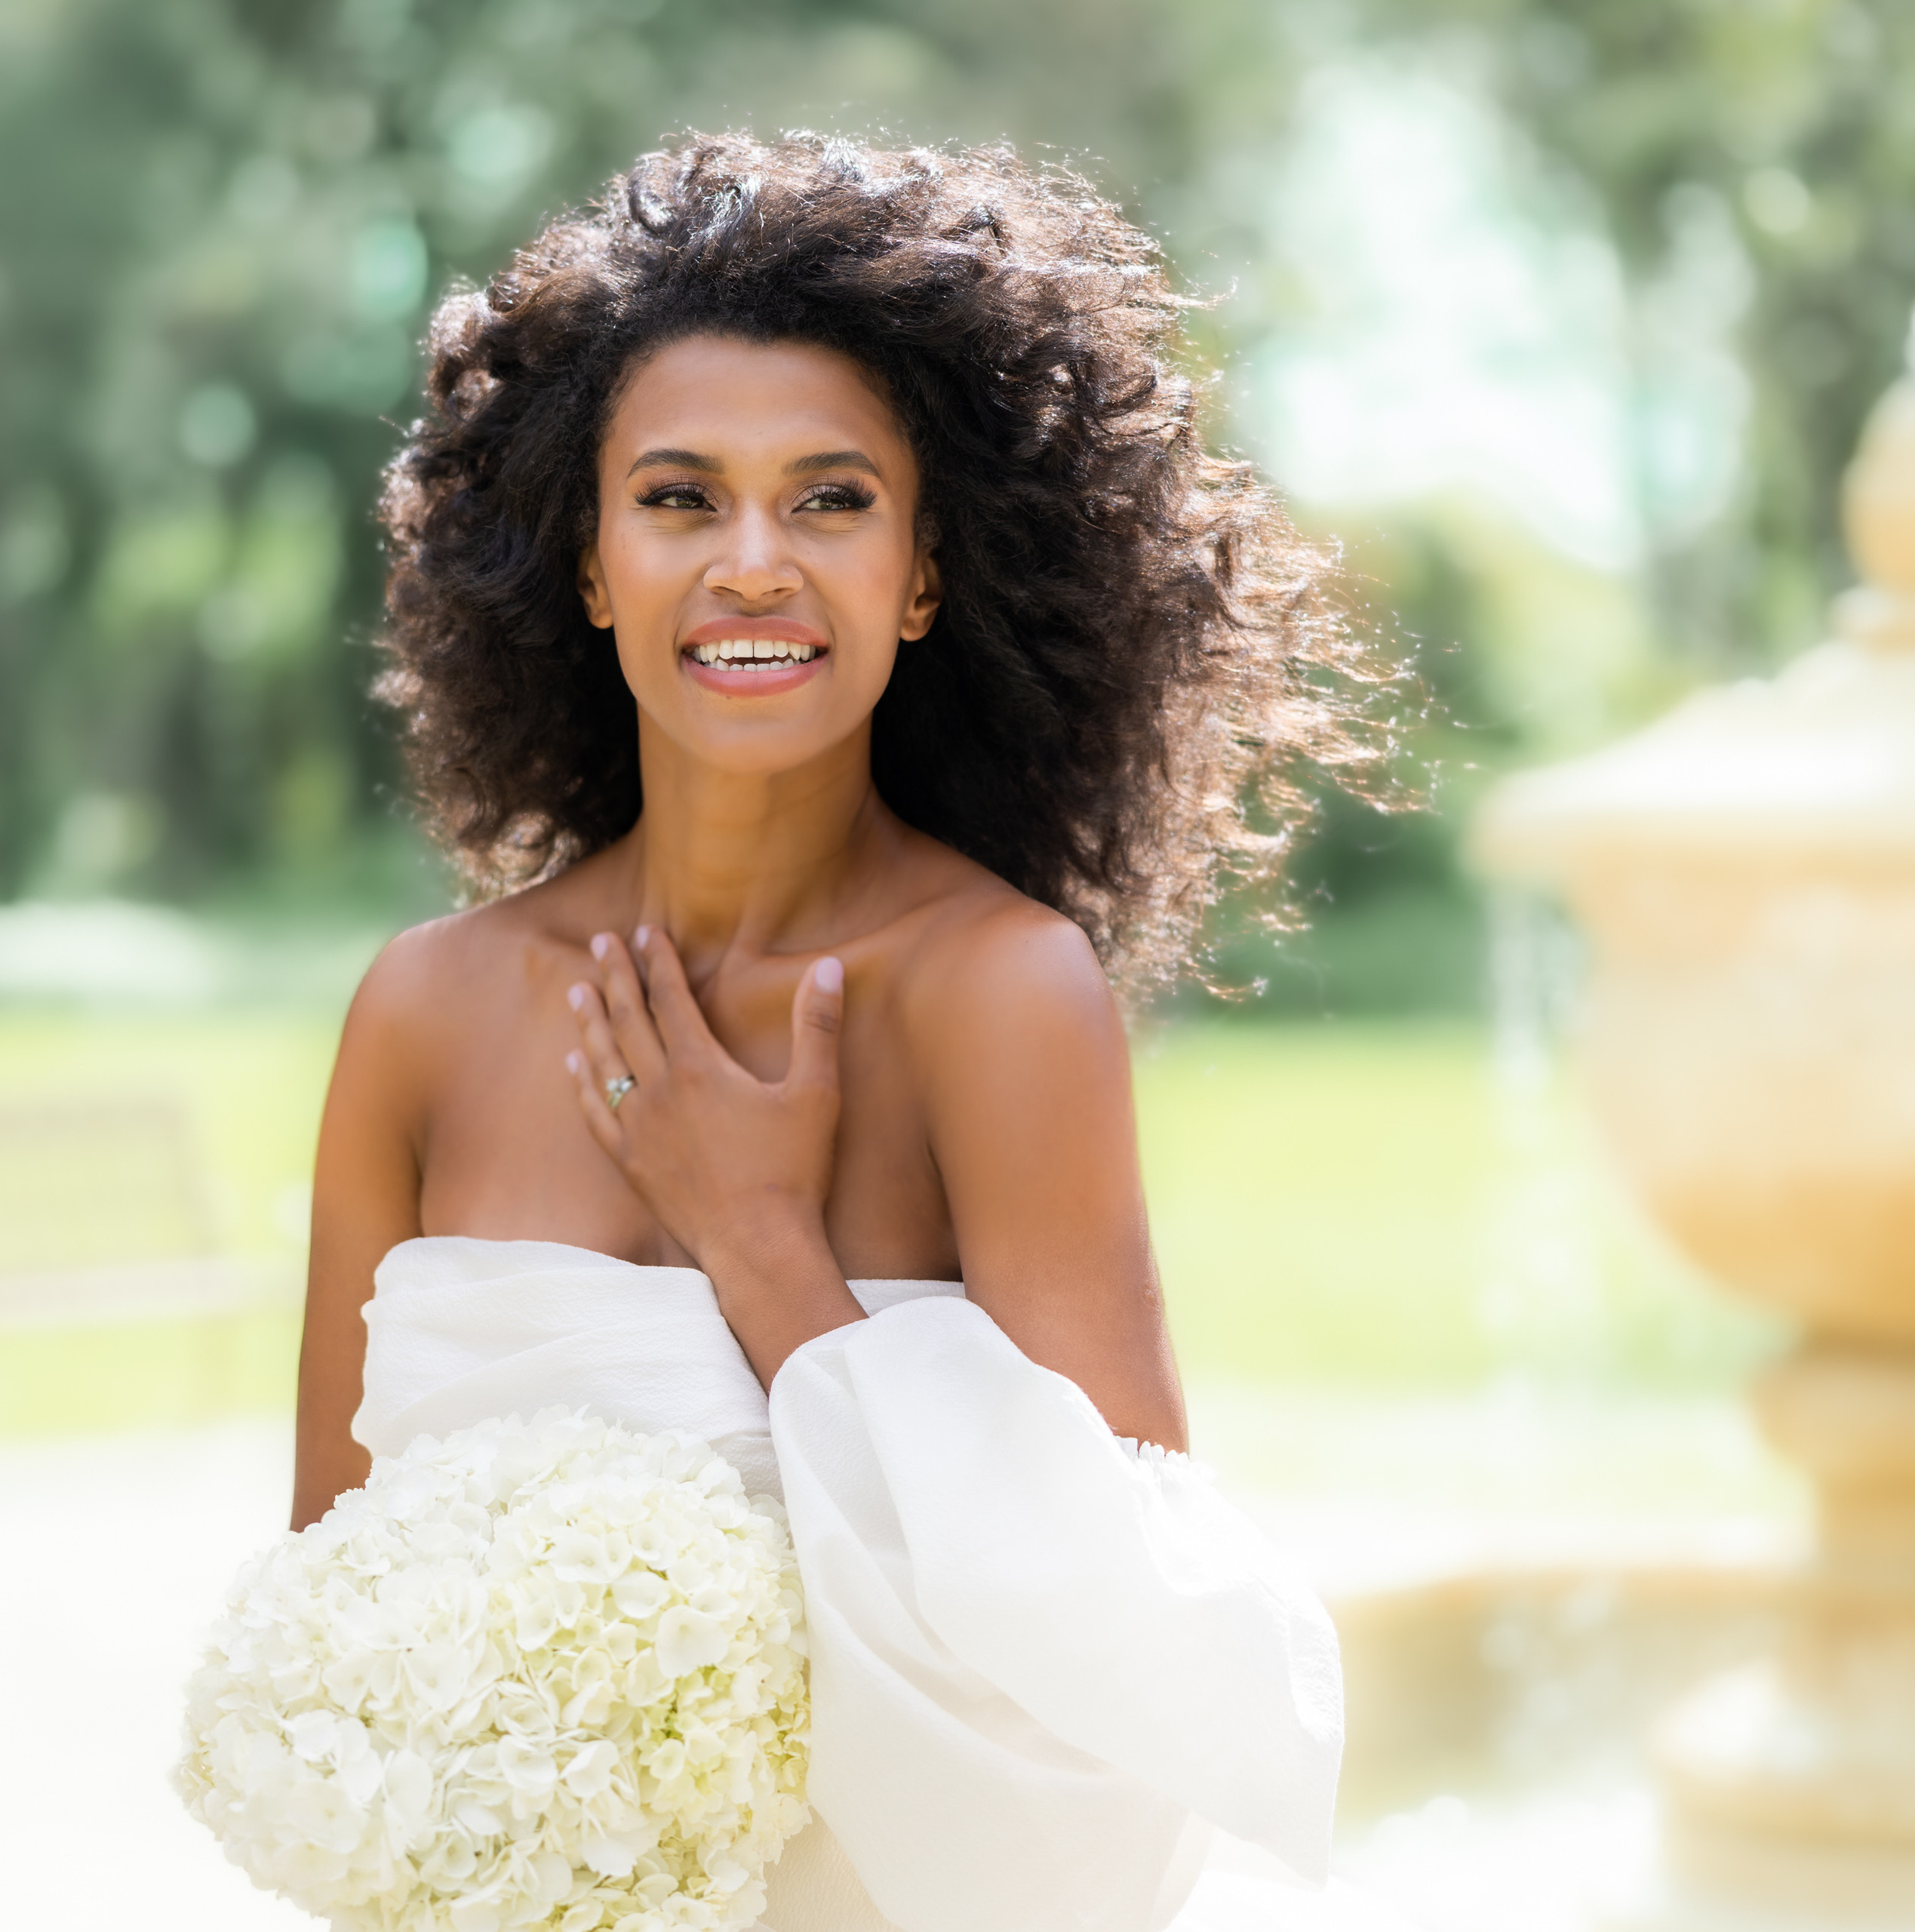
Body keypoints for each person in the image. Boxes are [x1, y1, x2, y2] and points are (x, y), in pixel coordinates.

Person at [291, 133, 1397, 1932]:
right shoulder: (421, 1011)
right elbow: (325, 1616)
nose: (751, 564)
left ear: (923, 573)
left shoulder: (997, 994)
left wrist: (764, 1248)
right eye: (675, 498)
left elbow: (1136, 1668)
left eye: (828, 498)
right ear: (585, 564)